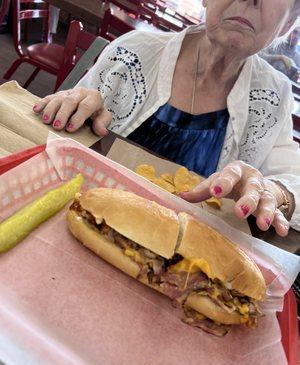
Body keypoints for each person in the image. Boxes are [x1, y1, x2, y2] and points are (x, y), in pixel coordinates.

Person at [33, 0, 300, 237]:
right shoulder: (132, 53)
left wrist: (275, 193)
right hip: (78, 221)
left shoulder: (274, 97)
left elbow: (292, 179)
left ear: (288, 23)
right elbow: (54, 147)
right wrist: (76, 107)